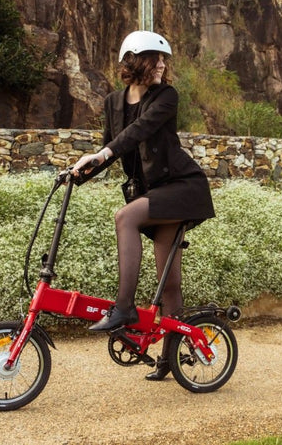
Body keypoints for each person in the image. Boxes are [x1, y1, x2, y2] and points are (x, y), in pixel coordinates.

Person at [72, 30, 215, 380]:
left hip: (182, 187)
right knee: (170, 284)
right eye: (157, 59)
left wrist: (105, 151)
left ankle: (124, 309)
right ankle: (169, 360)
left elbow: (140, 131)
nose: (163, 65)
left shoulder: (166, 96)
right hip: (154, 193)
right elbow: (113, 147)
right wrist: (77, 174)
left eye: (165, 60)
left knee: (125, 217)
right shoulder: (112, 103)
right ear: (136, 59)